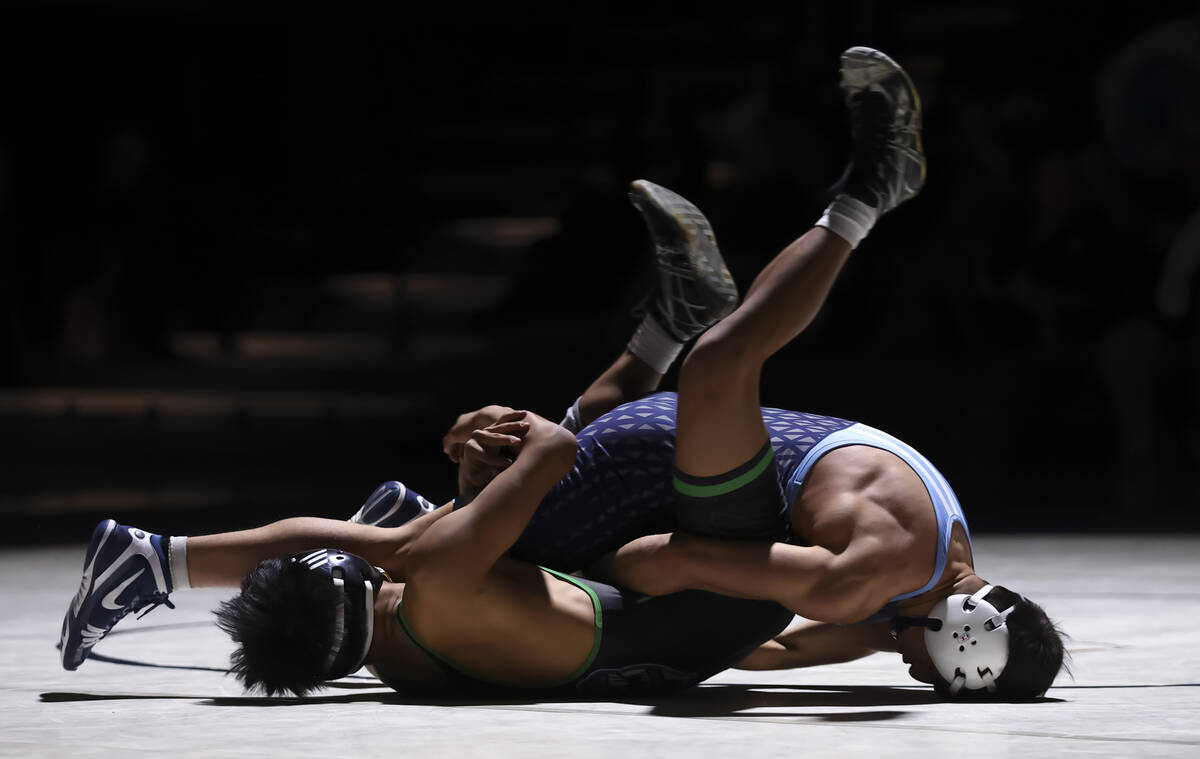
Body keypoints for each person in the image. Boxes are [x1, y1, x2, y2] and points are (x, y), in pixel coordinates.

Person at [61, 47, 1066, 700]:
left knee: (565, 452)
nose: (904, 659)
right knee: (662, 399)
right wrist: (499, 458)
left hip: (682, 609)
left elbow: (785, 639)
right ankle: (848, 211)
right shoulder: (427, 600)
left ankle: (665, 332)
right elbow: (551, 464)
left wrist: (483, 475)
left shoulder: (416, 628)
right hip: (678, 595)